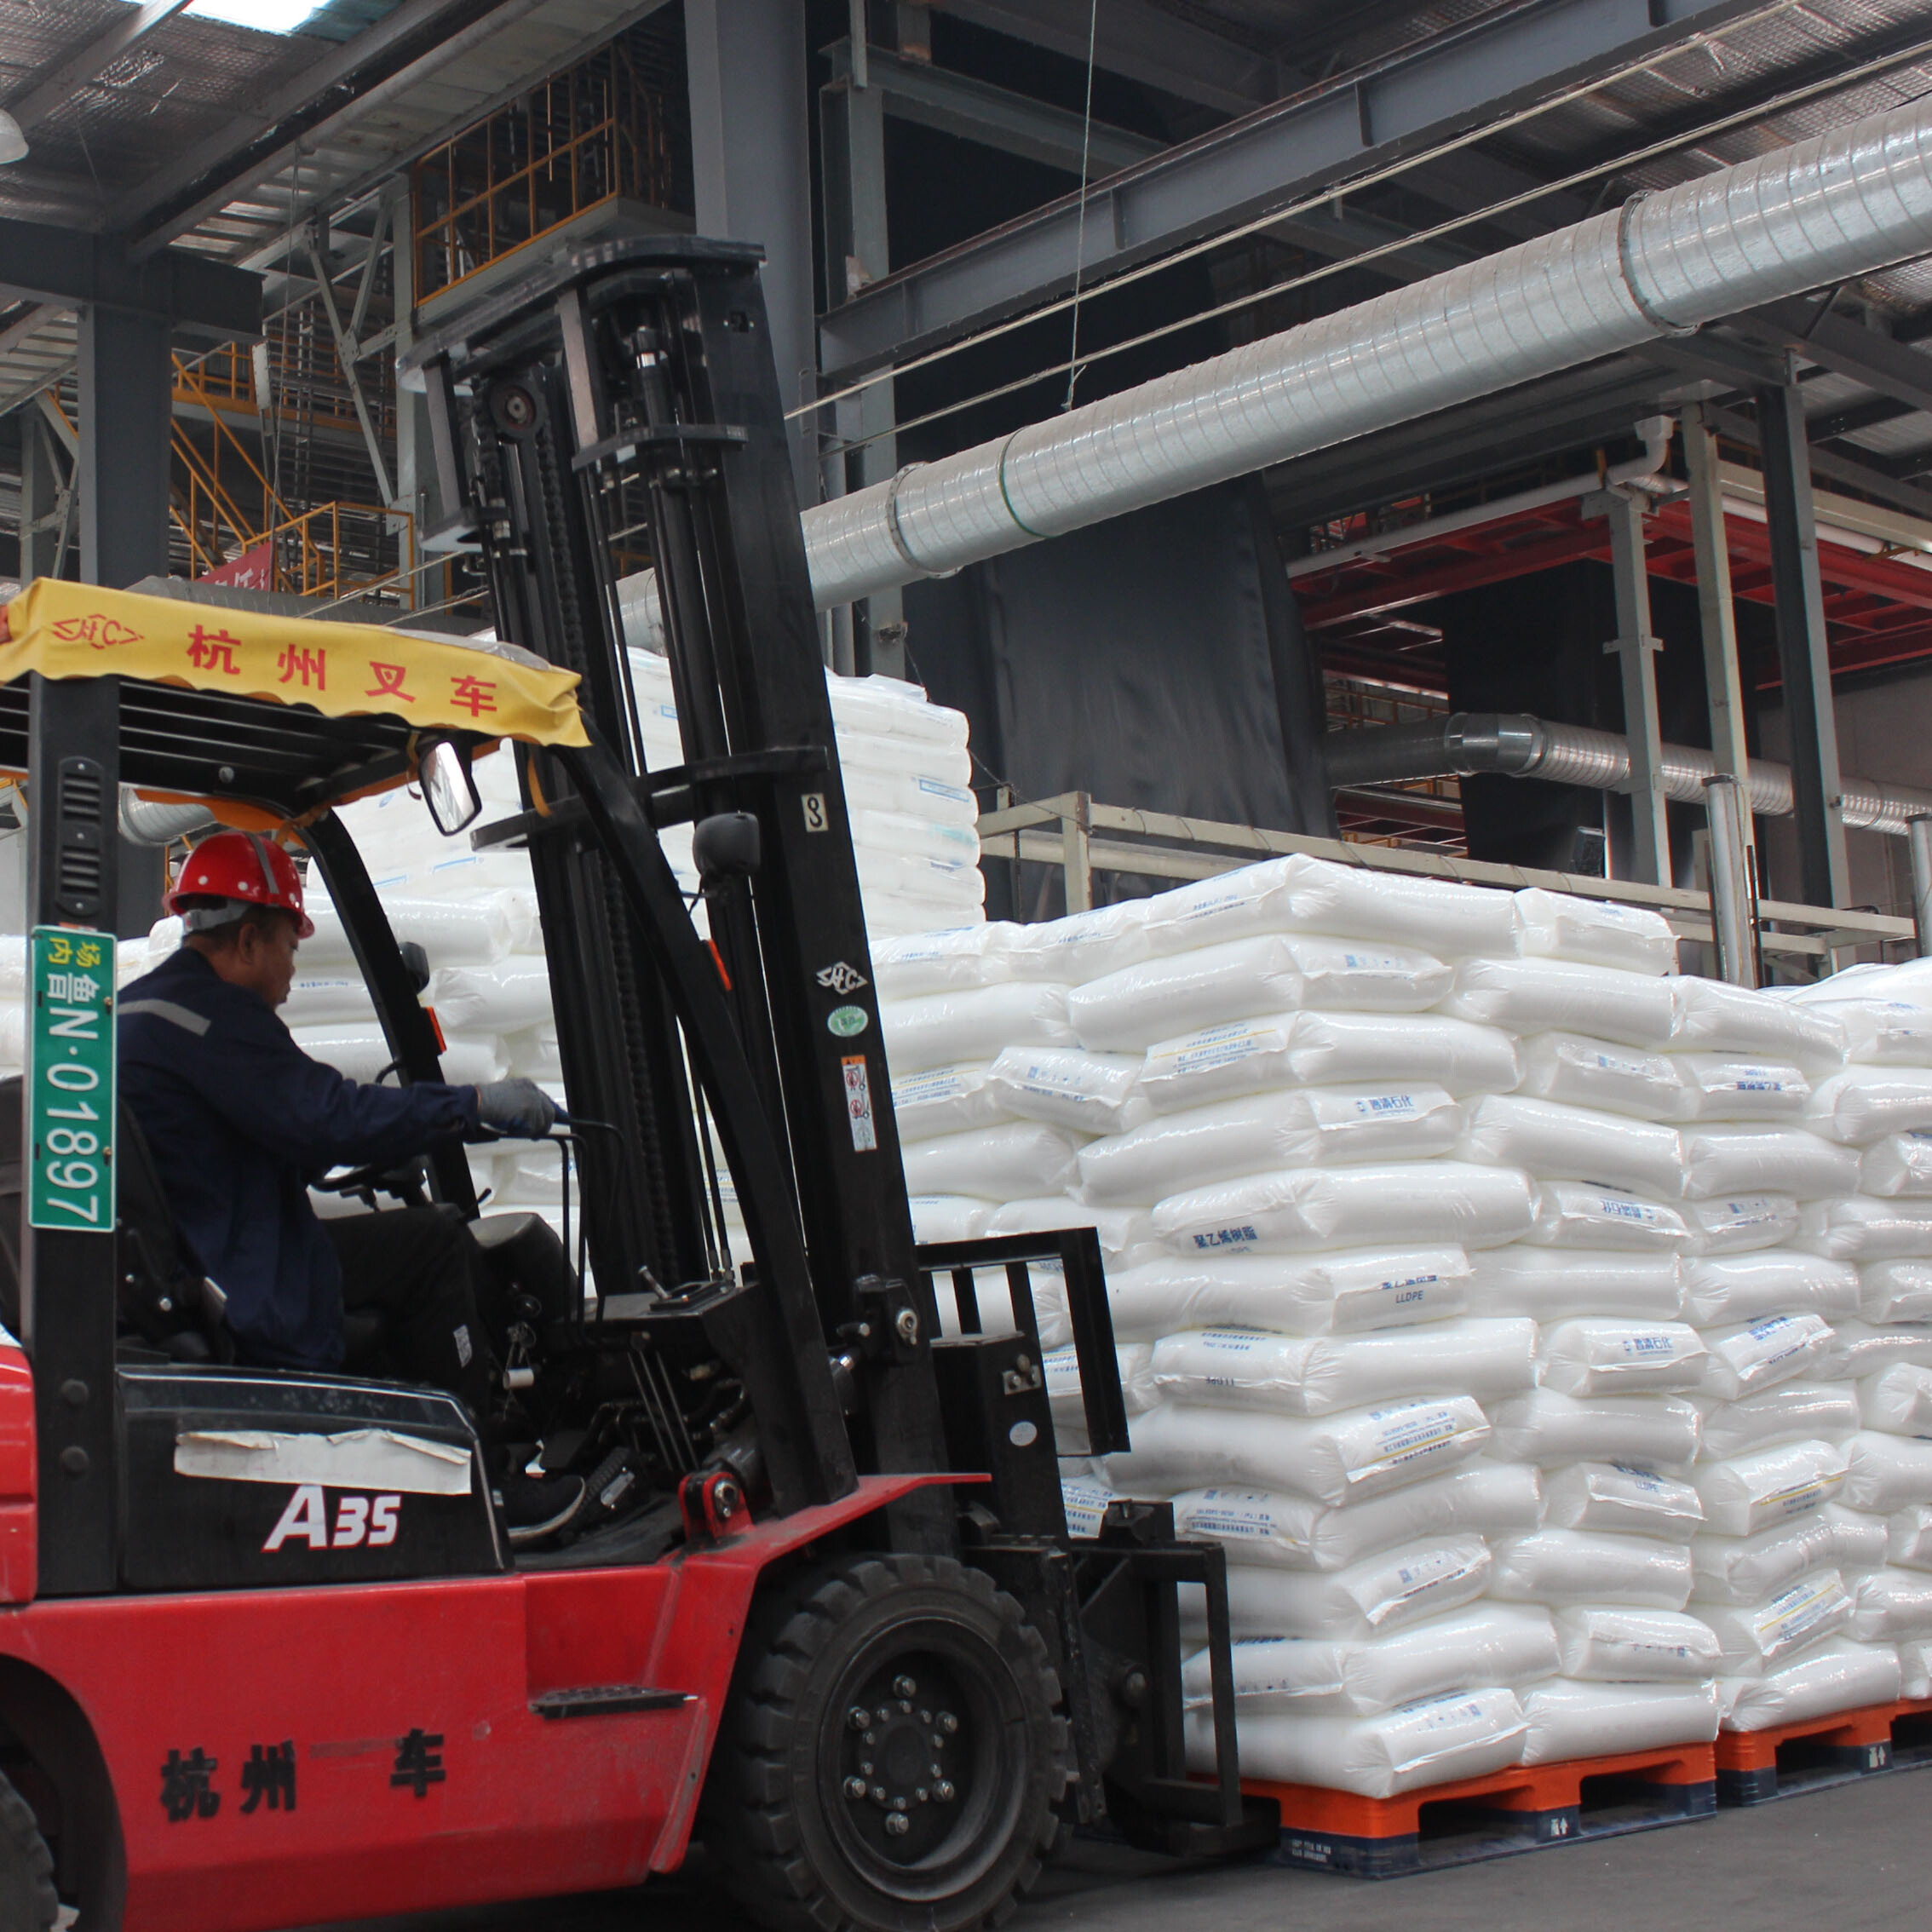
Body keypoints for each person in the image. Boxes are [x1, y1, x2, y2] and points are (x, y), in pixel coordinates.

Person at [118, 830, 582, 1542]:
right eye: (289, 949)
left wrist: (353, 1142)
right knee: (429, 1242)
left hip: (200, 1259)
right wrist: (472, 1106)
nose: (292, 973)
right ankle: (482, 1486)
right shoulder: (219, 1021)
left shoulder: (145, 1012)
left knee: (396, 1244)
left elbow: (247, 1138)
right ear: (248, 941)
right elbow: (326, 1114)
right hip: (239, 1280)